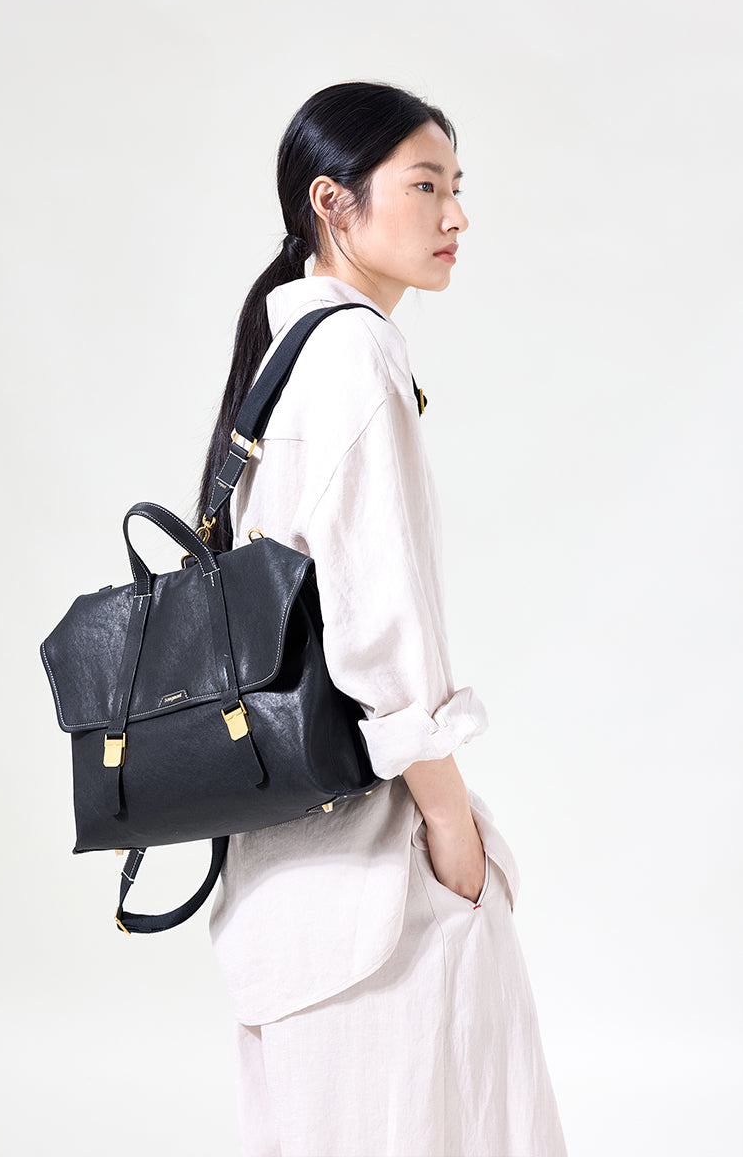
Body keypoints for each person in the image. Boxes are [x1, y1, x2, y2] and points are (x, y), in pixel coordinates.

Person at [195, 81, 568, 1157]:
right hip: (380, 878)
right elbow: (380, 628)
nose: (457, 216)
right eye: (426, 187)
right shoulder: (354, 354)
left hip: (284, 873)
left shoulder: (283, 358)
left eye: (457, 187)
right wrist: (453, 829)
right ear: (333, 202)